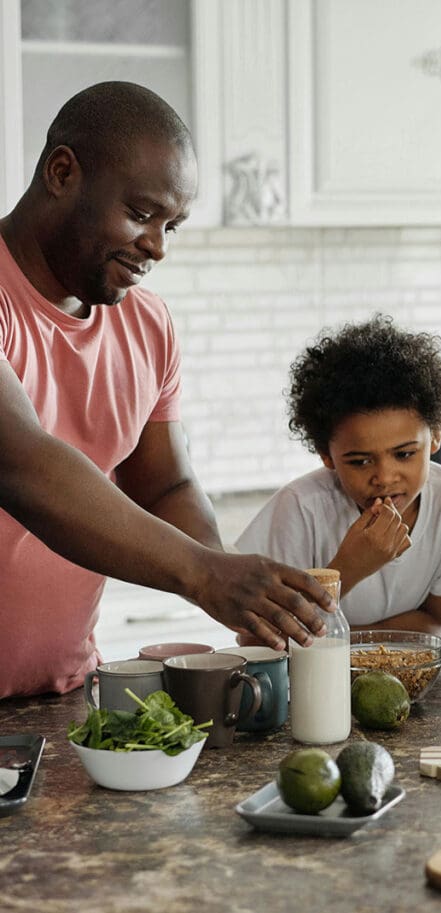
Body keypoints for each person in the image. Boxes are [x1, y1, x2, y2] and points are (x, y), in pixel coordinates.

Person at [0, 82, 332, 700]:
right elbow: (19, 463)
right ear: (62, 171)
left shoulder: (146, 323)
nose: (156, 246)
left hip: (62, 696)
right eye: (142, 213)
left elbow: (165, 485)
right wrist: (202, 574)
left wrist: (238, 590)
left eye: (171, 226)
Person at [236, 315, 441, 633]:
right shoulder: (300, 508)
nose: (384, 477)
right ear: (326, 455)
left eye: (404, 454)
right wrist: (349, 568)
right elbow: (256, 636)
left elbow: (434, 621)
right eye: (359, 461)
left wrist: (337, 641)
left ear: (437, 436)